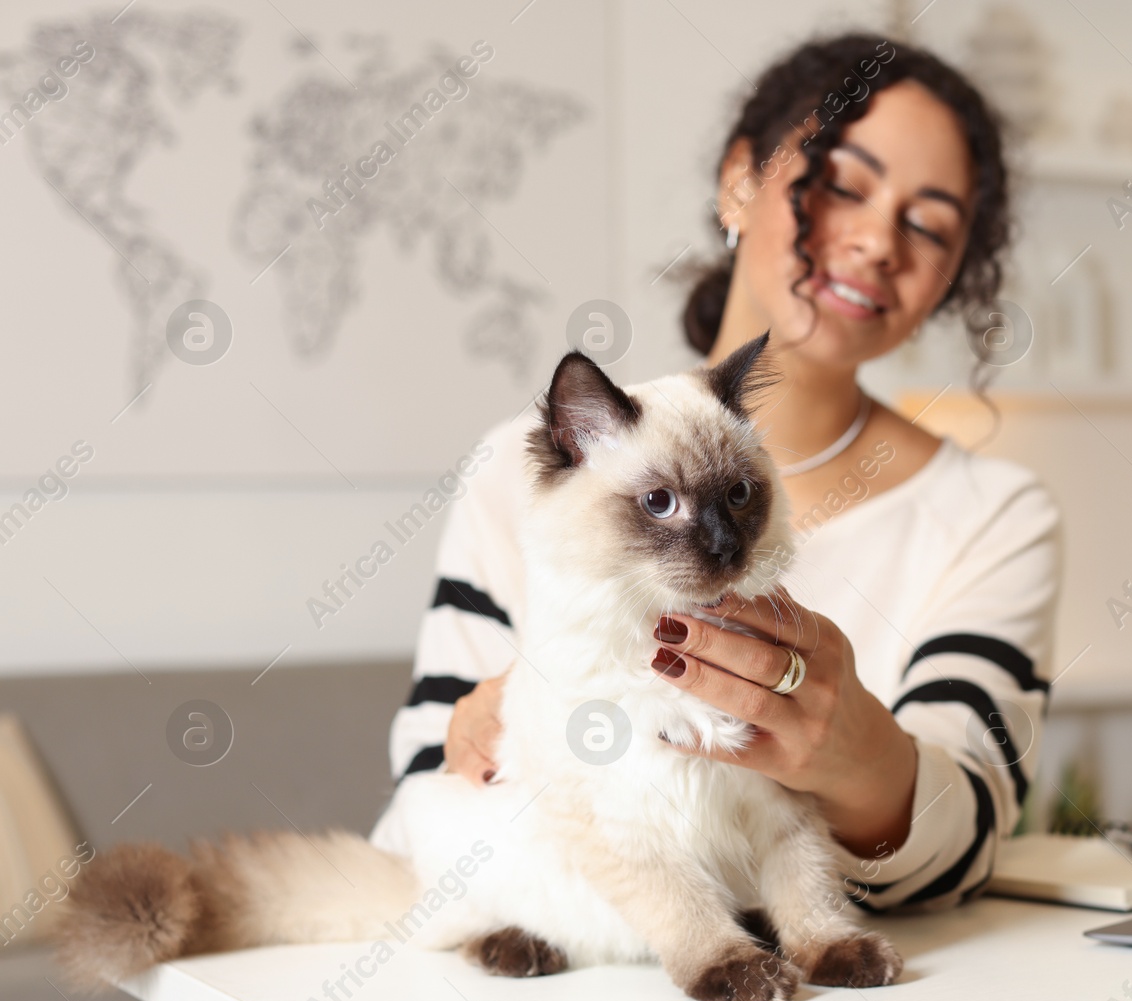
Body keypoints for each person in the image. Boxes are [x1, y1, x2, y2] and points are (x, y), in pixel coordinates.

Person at [374, 33, 1061, 911]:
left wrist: (854, 755)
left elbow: (970, 836)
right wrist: (483, 739)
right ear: (742, 182)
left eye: (928, 225)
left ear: (948, 281)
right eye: (843, 185)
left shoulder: (995, 514)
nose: (879, 241)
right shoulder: (537, 471)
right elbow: (419, 807)